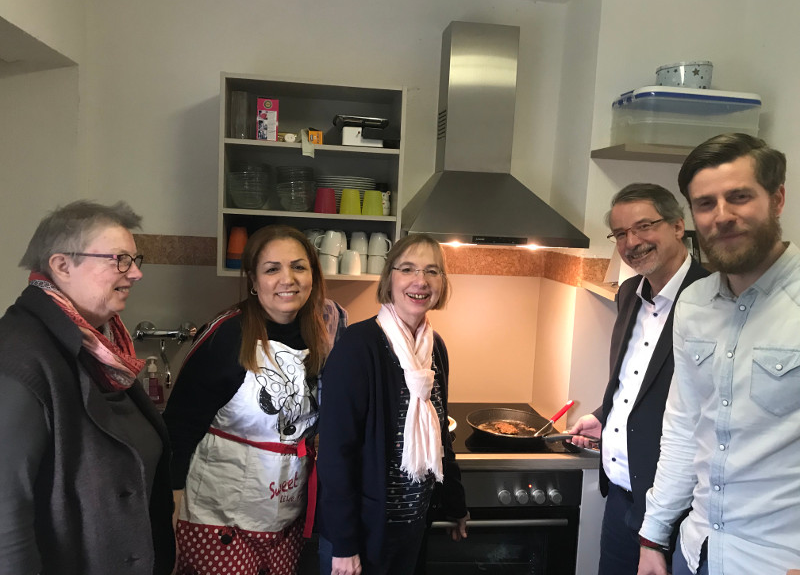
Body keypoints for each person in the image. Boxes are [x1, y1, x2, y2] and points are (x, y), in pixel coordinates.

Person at [637, 133, 800, 575]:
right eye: (705, 204)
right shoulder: (693, 305)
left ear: (777, 198)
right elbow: (685, 427)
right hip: (698, 552)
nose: (721, 216)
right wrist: (654, 534)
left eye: (740, 197)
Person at [0, 200, 175, 575]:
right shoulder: (19, 358)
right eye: (120, 259)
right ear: (62, 265)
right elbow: (6, 522)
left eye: (134, 259)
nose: (136, 273)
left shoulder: (101, 346)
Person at [163, 224, 347, 575]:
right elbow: (179, 427)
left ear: (313, 274)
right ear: (253, 279)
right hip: (218, 519)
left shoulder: (324, 336)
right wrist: (170, 509)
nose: (287, 279)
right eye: (272, 268)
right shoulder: (226, 335)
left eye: (298, 266)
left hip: (284, 517)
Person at [569, 183, 708, 574]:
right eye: (621, 234)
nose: (632, 242)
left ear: (679, 226)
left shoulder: (713, 300)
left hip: (677, 511)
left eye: (644, 227)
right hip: (621, 500)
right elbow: (637, 381)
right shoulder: (629, 292)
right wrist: (605, 416)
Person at [316, 233, 469, 575]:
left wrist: (456, 504)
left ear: (442, 283)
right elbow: (336, 453)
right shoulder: (359, 347)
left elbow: (441, 435)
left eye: (432, 271)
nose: (421, 281)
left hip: (412, 529)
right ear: (390, 278)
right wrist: (344, 544)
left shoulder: (435, 349)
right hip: (364, 534)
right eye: (409, 269)